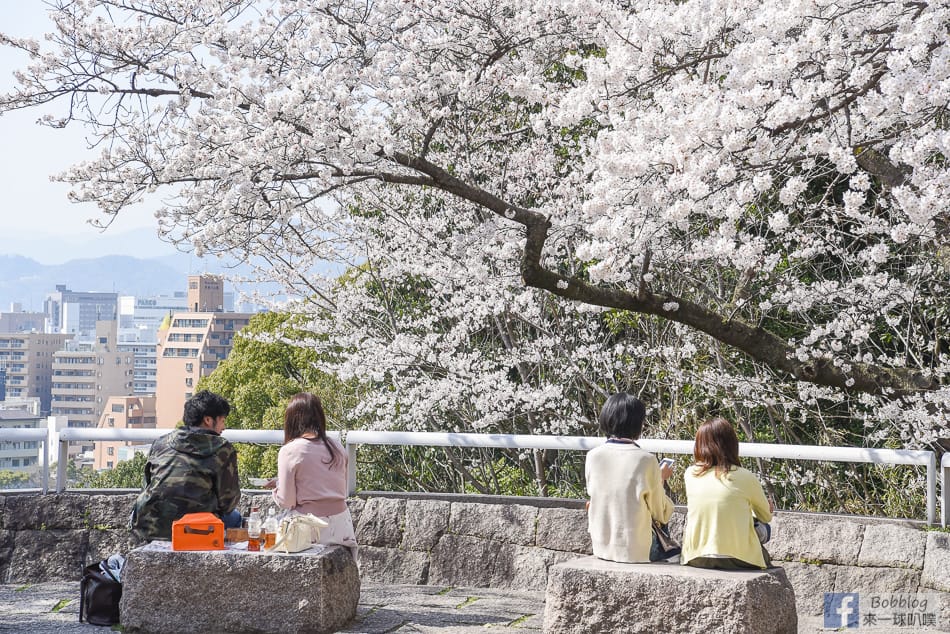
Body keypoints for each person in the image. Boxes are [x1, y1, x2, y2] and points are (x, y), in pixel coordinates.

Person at [129, 390, 241, 540]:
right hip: (193, 530)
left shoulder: (160, 443)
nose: (224, 427)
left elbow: (146, 487)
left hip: (148, 528)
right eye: (222, 420)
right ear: (208, 420)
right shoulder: (222, 449)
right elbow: (228, 502)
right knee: (235, 518)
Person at [585, 392, 675, 563]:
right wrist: (660, 480)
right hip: (635, 551)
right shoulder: (646, 460)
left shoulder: (592, 456)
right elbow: (661, 513)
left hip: (602, 547)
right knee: (675, 548)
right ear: (638, 424)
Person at [681, 417, 774, 570]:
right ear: (731, 445)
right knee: (764, 528)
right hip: (740, 558)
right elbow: (766, 517)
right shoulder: (745, 476)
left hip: (696, 556)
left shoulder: (690, 474)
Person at [271, 392, 357, 554]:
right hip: (342, 525)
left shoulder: (290, 450)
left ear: (291, 420)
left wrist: (276, 490)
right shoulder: (336, 447)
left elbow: (287, 501)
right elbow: (340, 490)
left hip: (309, 528)